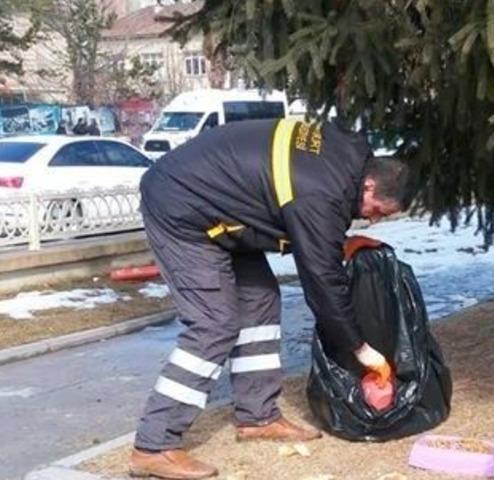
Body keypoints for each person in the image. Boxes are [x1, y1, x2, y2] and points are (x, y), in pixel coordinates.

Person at [129, 119, 413, 479]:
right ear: (369, 184)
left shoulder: (346, 161)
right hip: (182, 207)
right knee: (213, 323)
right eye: (376, 211)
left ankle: (257, 415)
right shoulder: (322, 192)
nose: (371, 221)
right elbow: (322, 281)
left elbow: (309, 221)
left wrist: (335, 243)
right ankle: (153, 445)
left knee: (261, 301)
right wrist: (360, 349)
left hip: (229, 208)